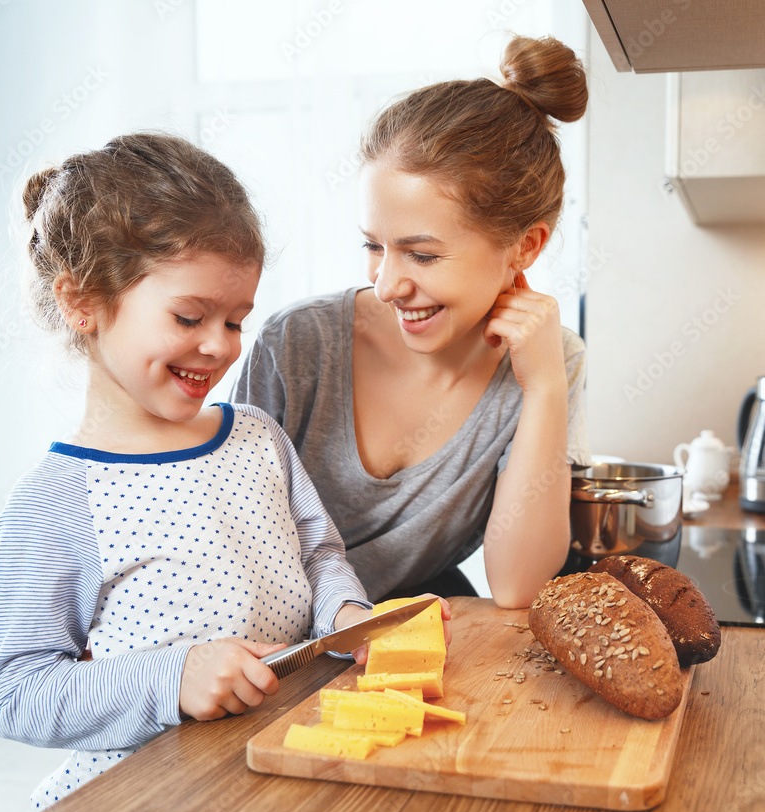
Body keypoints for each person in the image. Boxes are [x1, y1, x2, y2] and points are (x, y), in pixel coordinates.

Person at [0, 133, 412, 812]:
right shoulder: (55, 501)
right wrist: (171, 675)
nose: (220, 345)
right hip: (139, 810)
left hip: (273, 779)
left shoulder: (257, 435)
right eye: (190, 316)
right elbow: (18, 695)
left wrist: (348, 615)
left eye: (236, 320)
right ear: (82, 301)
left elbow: (318, 551)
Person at [232, 35, 591, 608]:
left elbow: (519, 585)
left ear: (526, 246)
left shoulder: (550, 361)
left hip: (408, 640)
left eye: (422, 255)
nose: (387, 285)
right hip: (271, 646)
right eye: (374, 246)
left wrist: (545, 388)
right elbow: (218, 538)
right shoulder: (298, 344)